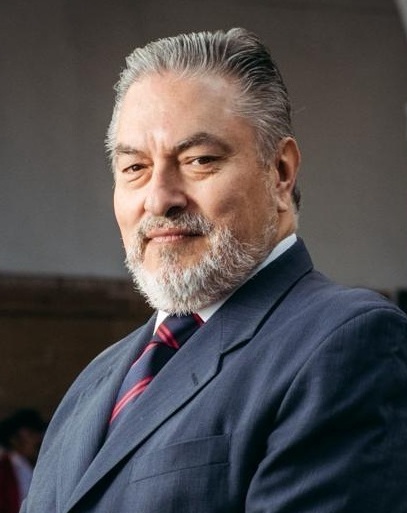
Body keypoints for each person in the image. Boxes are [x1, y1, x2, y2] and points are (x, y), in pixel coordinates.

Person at [22, 28, 407, 513]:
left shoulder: (347, 342)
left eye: (198, 160)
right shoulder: (95, 382)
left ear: (281, 172)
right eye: (135, 168)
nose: (159, 199)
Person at [0, 409, 46, 513]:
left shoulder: (42, 467)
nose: (38, 440)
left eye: (39, 434)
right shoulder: (4, 470)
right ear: (14, 440)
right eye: (31, 434)